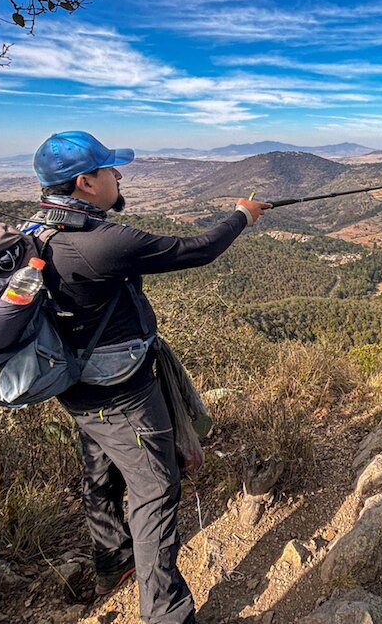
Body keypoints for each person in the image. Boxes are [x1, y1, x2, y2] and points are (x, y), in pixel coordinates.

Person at [30, 131, 270, 624]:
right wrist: (243, 214)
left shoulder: (37, 230)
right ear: (85, 182)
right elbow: (198, 249)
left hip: (77, 386)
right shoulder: (102, 243)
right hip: (123, 392)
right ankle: (166, 612)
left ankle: (113, 559)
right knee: (156, 489)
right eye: (110, 169)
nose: (118, 176)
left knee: (101, 466)